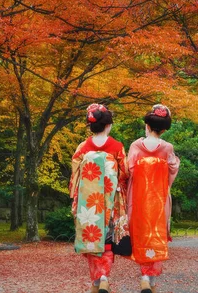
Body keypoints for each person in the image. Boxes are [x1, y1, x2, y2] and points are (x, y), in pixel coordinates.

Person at [69, 104, 129, 293]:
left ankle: (97, 280)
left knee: (91, 239)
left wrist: (76, 195)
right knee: (107, 240)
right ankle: (103, 277)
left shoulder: (83, 147)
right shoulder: (117, 147)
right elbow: (125, 172)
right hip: (109, 201)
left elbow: (75, 174)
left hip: (89, 203)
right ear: (108, 125)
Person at [127, 104, 180, 293]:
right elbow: (173, 169)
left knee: (141, 234)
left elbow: (129, 170)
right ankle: (149, 280)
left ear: (147, 125)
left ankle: (144, 277)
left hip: (139, 198)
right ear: (164, 129)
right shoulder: (167, 148)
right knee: (156, 234)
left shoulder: (135, 145)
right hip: (158, 199)